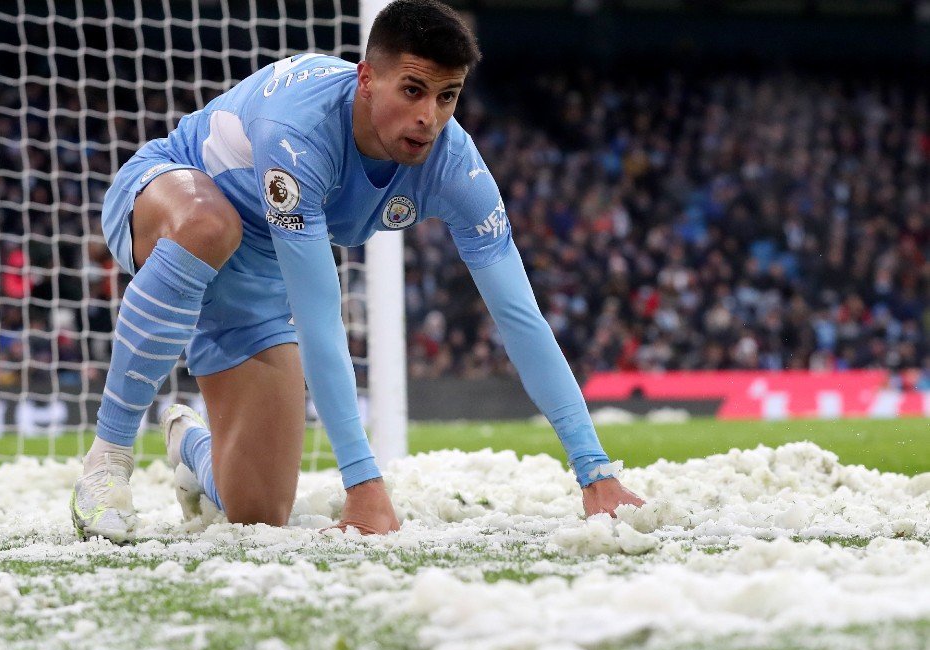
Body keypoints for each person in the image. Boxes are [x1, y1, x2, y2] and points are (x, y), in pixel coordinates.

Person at [71, 0, 644, 543]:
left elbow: (520, 317)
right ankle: (108, 462)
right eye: (413, 90)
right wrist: (363, 485)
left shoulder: (455, 168)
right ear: (367, 79)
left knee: (259, 511)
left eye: (448, 97)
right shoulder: (300, 132)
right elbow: (321, 314)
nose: (429, 117)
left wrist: (596, 471)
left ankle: (193, 449)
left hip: (258, 275)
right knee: (209, 224)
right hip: (171, 194)